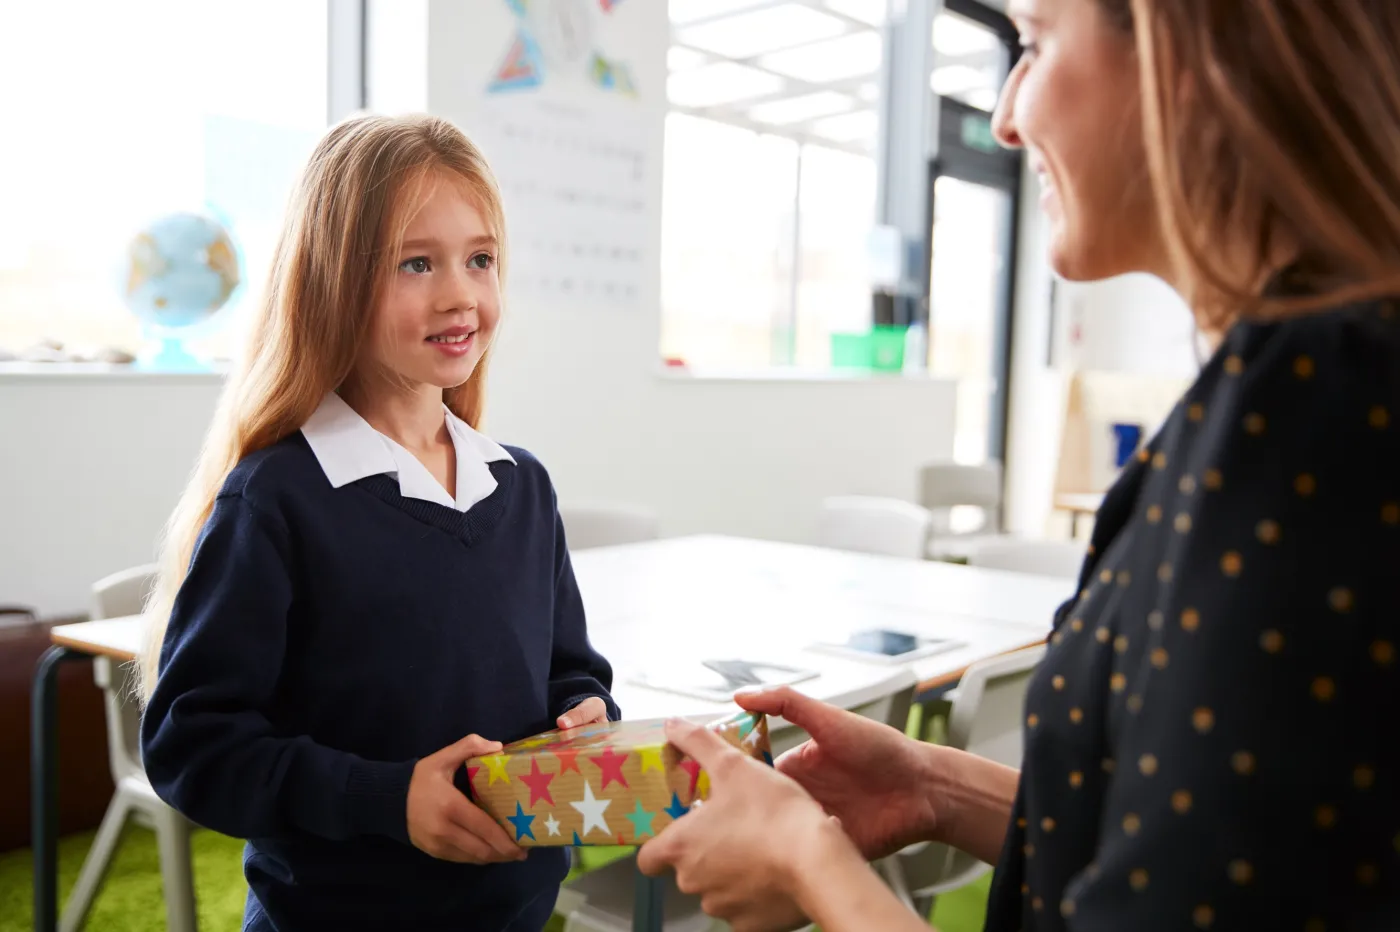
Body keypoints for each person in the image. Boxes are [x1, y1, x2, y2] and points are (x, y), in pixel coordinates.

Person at [637, 0, 1400, 928]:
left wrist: (807, 860)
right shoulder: (1296, 387)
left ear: (1183, 58)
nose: (1004, 116)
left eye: (1034, 45)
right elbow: (1212, 845)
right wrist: (933, 784)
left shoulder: (1304, 422)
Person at [138, 114, 619, 932]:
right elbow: (195, 745)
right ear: (332, 282)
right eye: (416, 263)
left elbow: (569, 670)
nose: (460, 293)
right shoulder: (277, 499)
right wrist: (388, 801)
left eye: (480, 259)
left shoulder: (523, 487)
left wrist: (585, 710)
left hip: (511, 911)